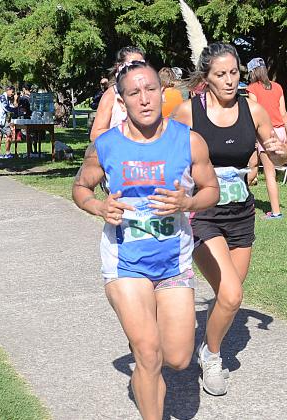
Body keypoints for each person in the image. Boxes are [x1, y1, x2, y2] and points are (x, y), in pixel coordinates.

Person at [72, 62, 219, 420]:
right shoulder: (106, 145)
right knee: (150, 355)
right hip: (125, 263)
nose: (145, 99)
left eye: (150, 89)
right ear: (121, 101)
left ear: (163, 92)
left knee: (179, 357)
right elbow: (80, 187)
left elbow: (211, 190)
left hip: (174, 262)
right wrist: (98, 206)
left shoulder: (188, 140)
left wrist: (187, 202)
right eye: (134, 93)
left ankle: (142, 350)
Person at [169, 43, 287, 396]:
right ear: (206, 78)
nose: (229, 80)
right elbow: (164, 152)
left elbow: (276, 155)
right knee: (233, 295)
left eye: (234, 72)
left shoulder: (253, 109)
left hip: (241, 213)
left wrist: (279, 153)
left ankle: (207, 346)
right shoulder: (188, 113)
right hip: (203, 212)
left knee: (227, 296)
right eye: (220, 74)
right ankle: (213, 357)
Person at [245, 57, 287, 219]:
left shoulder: (252, 89)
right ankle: (247, 200)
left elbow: (253, 114)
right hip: (280, 132)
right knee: (261, 169)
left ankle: (276, 211)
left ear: (252, 72)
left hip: (265, 134)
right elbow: (284, 113)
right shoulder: (277, 87)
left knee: (269, 174)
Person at [90, 46, 146, 141]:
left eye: (141, 65)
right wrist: (126, 132)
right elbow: (95, 134)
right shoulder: (112, 94)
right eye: (132, 65)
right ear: (119, 67)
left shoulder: (149, 93)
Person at [0, 86, 18, 159]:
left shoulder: (5, 98)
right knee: (9, 134)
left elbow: (11, 106)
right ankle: (7, 153)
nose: (12, 94)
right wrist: (16, 110)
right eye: (12, 92)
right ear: (8, 90)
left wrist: (15, 101)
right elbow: (6, 107)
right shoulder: (2, 97)